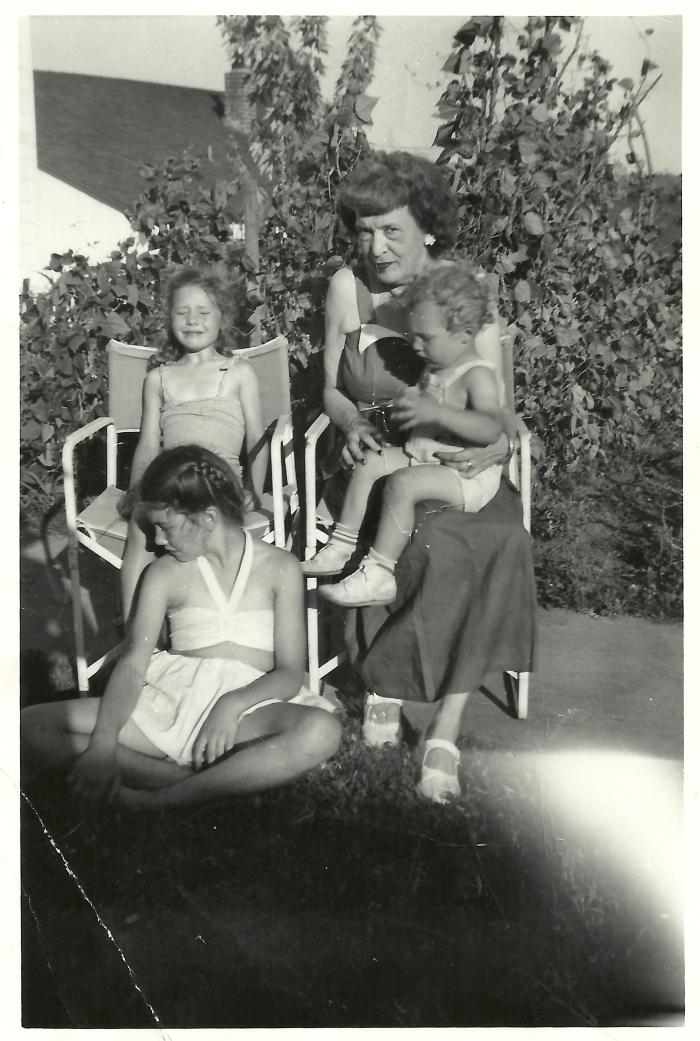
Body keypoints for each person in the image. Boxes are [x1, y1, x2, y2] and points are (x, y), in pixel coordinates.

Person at [310, 150, 534, 804]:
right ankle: (387, 685)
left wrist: (496, 448)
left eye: (391, 230)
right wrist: (350, 423)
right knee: (430, 543)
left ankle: (445, 724)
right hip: (370, 464)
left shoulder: (457, 294)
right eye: (363, 229)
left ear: (427, 226)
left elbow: (498, 407)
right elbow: (329, 388)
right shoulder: (345, 289)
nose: (374, 247)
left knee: (498, 542)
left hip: (457, 463)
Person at [21, 445, 341, 809]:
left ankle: (161, 799)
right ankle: (199, 785)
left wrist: (231, 705)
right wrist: (103, 744)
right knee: (30, 725)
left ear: (206, 518)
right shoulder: (164, 574)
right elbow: (134, 663)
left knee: (322, 730)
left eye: (165, 527)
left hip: (250, 707)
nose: (157, 541)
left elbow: (288, 673)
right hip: (171, 702)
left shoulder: (279, 567)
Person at [306, 261, 504, 608]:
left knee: (403, 484)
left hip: (464, 474)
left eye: (426, 339)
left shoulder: (477, 376)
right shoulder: (438, 367)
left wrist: (439, 412)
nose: (417, 347)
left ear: (463, 334)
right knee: (370, 462)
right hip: (424, 453)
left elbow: (490, 428)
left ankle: (379, 572)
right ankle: (341, 544)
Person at [119, 265, 268, 625]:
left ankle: (189, 620)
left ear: (222, 318)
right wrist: (140, 490)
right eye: (182, 312)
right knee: (142, 525)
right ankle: (135, 630)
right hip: (171, 483)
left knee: (193, 523)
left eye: (204, 312)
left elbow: (257, 438)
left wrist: (255, 490)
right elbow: (148, 445)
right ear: (169, 319)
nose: (192, 320)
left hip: (219, 483)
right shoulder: (159, 379)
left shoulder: (238, 372)